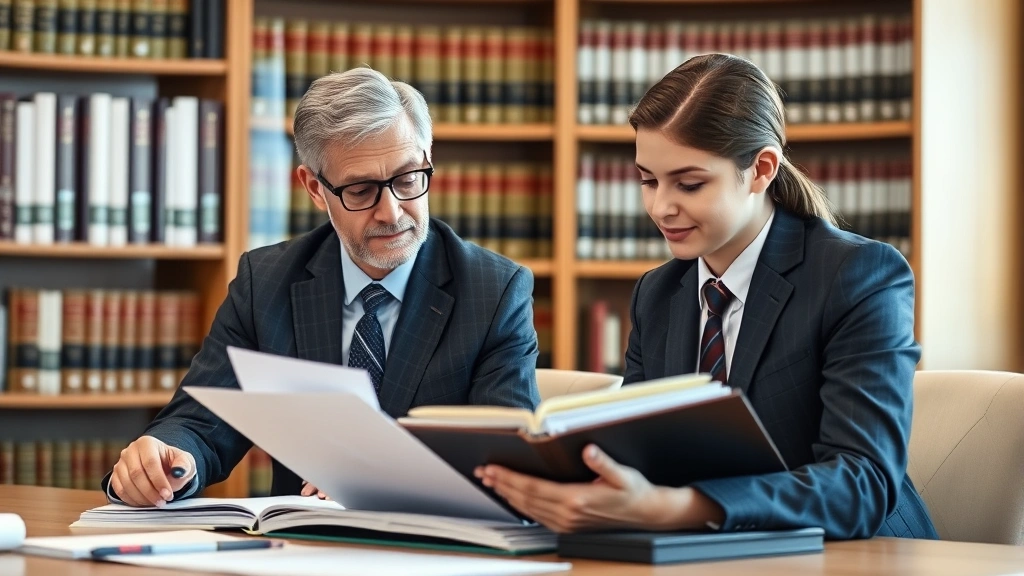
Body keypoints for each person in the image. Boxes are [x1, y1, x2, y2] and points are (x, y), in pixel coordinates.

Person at [475, 53, 938, 540]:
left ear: (760, 170)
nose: (661, 207)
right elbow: (642, 455)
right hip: (710, 555)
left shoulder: (858, 276)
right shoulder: (658, 294)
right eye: (648, 181)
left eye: (689, 184)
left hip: (859, 556)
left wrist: (676, 508)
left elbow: (861, 484)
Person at [105, 67, 541, 507]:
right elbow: (200, 424)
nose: (391, 212)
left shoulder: (494, 291)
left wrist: (382, 481)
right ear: (315, 188)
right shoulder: (267, 282)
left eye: (408, 179)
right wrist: (167, 458)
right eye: (361, 189)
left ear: (428, 157)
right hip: (300, 551)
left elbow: (509, 461)